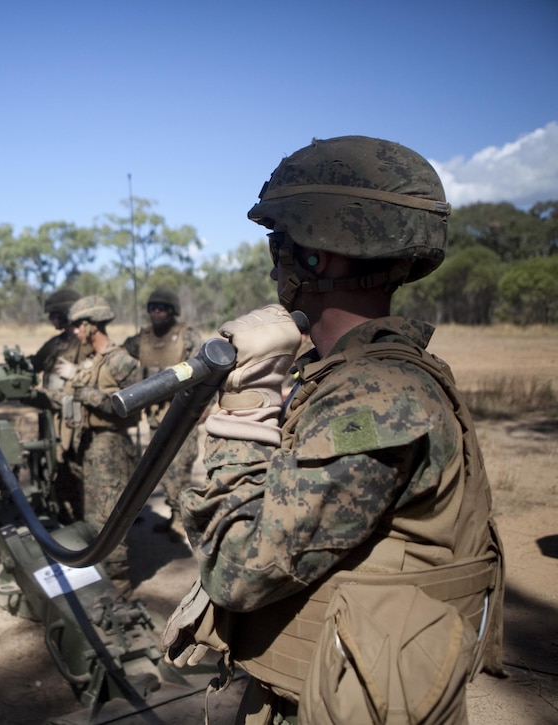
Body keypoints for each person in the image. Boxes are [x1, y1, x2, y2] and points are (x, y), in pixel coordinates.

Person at [161, 136, 505, 723]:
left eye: (282, 241)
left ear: (320, 255)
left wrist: (243, 414)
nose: (276, 261)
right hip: (333, 689)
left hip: (345, 703)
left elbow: (238, 571)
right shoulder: (350, 376)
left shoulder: (376, 396)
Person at [56, 295, 142, 594]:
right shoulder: (94, 360)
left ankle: (119, 582)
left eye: (79, 326)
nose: (76, 332)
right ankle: (105, 573)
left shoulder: (120, 360)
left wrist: (87, 394)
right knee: (92, 515)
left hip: (111, 445)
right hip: (90, 443)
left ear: (93, 325)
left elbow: (133, 404)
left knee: (108, 515)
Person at [121, 287, 203, 539]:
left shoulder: (187, 336)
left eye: (162, 308)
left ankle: (184, 521)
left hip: (182, 414)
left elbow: (203, 370)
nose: (156, 312)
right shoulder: (141, 339)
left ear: (172, 311)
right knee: (164, 471)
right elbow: (119, 355)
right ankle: (175, 516)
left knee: (178, 470)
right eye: (152, 308)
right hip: (156, 417)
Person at [28, 288, 93, 523]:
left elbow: (101, 373)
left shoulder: (86, 343)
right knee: (59, 468)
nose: (50, 319)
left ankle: (87, 519)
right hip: (52, 417)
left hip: (74, 417)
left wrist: (76, 371)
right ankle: (67, 515)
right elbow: (33, 364)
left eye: (54, 314)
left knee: (77, 468)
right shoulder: (55, 344)